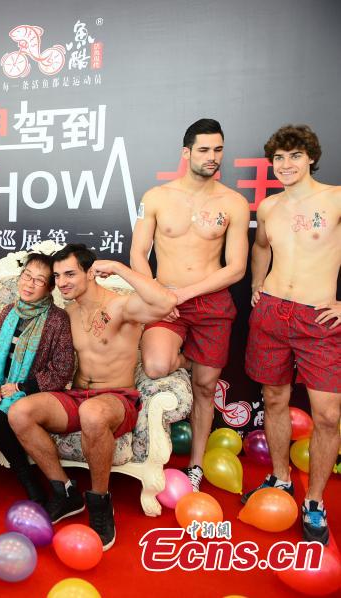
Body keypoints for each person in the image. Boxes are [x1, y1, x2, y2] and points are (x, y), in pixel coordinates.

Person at [8, 244, 176, 550]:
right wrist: (1, 324)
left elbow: (166, 302)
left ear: (90, 273)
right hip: (76, 395)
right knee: (20, 412)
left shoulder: (120, 306)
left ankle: (100, 501)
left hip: (115, 398)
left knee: (93, 413)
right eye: (58, 276)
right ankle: (65, 492)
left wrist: (120, 268)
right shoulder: (67, 313)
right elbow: (27, 318)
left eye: (70, 274)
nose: (62, 282)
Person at [130, 118, 250, 491]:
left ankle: (195, 465)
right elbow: (138, 253)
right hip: (166, 299)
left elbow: (236, 267)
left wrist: (182, 295)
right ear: (186, 152)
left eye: (218, 150)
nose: (212, 157)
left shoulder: (234, 202)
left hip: (211, 304)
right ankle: (192, 359)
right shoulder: (156, 197)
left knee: (205, 387)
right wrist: (157, 294)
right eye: (204, 149)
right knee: (156, 364)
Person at [242, 124, 340, 545]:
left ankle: (314, 501)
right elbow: (261, 246)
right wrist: (256, 284)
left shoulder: (335, 198)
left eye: (295, 155)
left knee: (328, 415)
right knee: (274, 399)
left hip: (320, 319)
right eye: (279, 158)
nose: (285, 164)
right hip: (272, 312)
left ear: (311, 158)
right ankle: (281, 478)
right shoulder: (268, 206)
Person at [0, 253, 74, 515]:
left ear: (49, 288)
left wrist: (22, 387)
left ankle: (30, 483)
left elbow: (63, 368)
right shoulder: (8, 312)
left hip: (30, 390)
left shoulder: (57, 320)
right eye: (26, 276)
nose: (29, 284)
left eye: (39, 280)